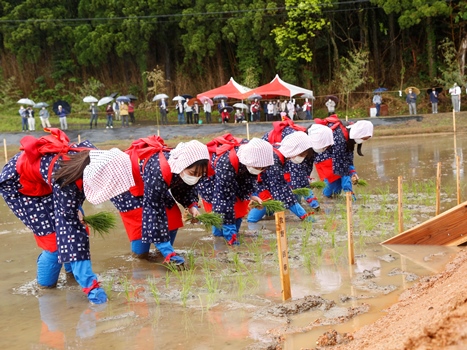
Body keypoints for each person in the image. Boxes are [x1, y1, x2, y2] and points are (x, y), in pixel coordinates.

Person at [0, 128, 134, 304]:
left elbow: (77, 192)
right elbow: (70, 232)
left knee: (76, 222)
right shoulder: (66, 179)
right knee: (54, 242)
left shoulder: (94, 158)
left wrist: (75, 208)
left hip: (51, 179)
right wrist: (91, 287)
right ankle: (45, 291)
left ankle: (71, 275)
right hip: (20, 188)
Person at [110, 137, 209, 263]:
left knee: (172, 215)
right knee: (140, 225)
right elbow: (153, 211)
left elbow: (183, 189)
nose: (196, 177)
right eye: (193, 173)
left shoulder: (180, 169)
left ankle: (161, 252)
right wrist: (168, 252)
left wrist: (192, 206)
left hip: (150, 185)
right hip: (127, 188)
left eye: (200, 174)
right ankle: (142, 258)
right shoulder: (160, 169)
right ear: (183, 164)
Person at [197, 136, 274, 245]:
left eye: (262, 168)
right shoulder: (227, 162)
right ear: (249, 160)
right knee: (219, 215)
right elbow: (223, 200)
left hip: (233, 180)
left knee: (238, 208)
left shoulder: (253, 161)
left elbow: (249, 178)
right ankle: (220, 240)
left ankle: (233, 234)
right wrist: (230, 232)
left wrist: (252, 194)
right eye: (257, 167)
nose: (260, 170)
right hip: (212, 184)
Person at [247, 131, 316, 226]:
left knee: (273, 199)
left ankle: (268, 214)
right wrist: (303, 215)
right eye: (301, 155)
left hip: (265, 183)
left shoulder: (280, 151)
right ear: (295, 150)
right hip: (258, 186)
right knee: (253, 217)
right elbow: (281, 190)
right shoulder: (275, 160)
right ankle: (252, 229)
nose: (301, 158)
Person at [313, 117, 373, 198]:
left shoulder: (350, 134)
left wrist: (353, 172)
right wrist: (349, 190)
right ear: (359, 134)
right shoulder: (340, 138)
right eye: (363, 138)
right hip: (324, 157)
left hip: (335, 157)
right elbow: (341, 165)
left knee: (337, 188)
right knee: (331, 183)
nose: (363, 141)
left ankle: (334, 201)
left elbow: (348, 155)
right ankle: (326, 201)